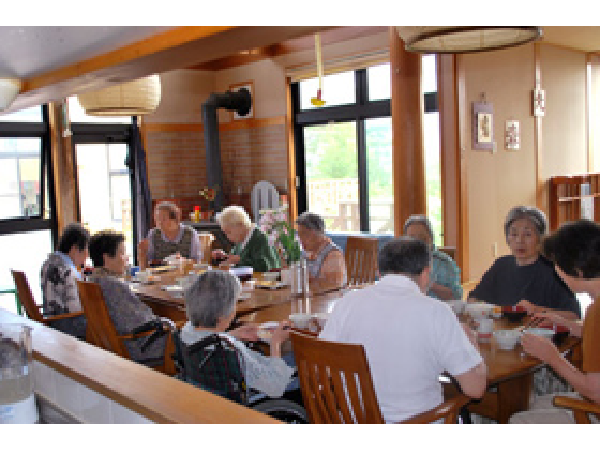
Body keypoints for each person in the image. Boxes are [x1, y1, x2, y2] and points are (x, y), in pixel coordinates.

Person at [318, 236, 487, 423]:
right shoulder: (436, 312)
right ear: (425, 274)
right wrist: (472, 346)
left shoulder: (346, 304)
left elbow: (322, 368)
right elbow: (475, 389)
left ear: (379, 273)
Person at [509, 219, 600, 424]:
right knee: (535, 404)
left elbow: (595, 391)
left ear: (578, 270)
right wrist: (568, 325)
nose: (556, 270)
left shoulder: (596, 311)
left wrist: (552, 356)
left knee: (517, 420)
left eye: (557, 263)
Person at [180, 270, 295, 398]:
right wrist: (276, 343)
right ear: (222, 315)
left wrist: (232, 334)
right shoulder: (231, 350)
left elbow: (206, 339)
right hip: (253, 396)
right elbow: (276, 387)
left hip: (209, 395)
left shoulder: (186, 331)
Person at [468, 206, 581, 319]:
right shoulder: (501, 265)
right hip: (502, 333)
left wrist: (537, 310)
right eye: (514, 234)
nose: (519, 241)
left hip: (540, 334)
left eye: (527, 234)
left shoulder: (554, 270)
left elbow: (574, 315)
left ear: (541, 238)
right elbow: (474, 298)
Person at [88, 230, 173, 366]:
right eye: (122, 253)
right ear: (106, 258)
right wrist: (168, 322)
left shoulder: (93, 280)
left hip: (116, 347)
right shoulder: (113, 286)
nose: (126, 258)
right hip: (140, 349)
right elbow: (141, 324)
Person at [40, 223, 90, 340]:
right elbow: (75, 309)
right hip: (68, 326)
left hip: (52, 321)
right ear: (74, 248)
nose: (87, 255)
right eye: (86, 249)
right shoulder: (68, 270)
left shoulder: (48, 263)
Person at [403, 214, 462, 300]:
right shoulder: (398, 261)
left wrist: (430, 285)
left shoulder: (444, 262)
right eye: (412, 238)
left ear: (431, 238)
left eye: (422, 238)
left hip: (437, 310)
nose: (417, 243)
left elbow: (456, 296)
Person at [212, 205, 280, 272]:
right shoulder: (240, 240)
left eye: (228, 232)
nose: (227, 237)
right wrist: (224, 257)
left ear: (241, 225)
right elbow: (235, 258)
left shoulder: (260, 238)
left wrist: (238, 260)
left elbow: (265, 266)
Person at [137, 201, 203, 270]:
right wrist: (142, 253)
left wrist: (184, 261)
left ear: (175, 219)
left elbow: (197, 260)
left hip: (184, 275)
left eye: (163, 219)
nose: (159, 222)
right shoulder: (153, 234)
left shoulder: (190, 233)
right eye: (156, 219)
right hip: (160, 276)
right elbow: (150, 261)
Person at [295, 211, 347, 291]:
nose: (301, 239)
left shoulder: (333, 255)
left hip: (330, 301)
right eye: (299, 235)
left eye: (304, 234)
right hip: (312, 298)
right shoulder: (307, 253)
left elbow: (333, 286)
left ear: (318, 233)